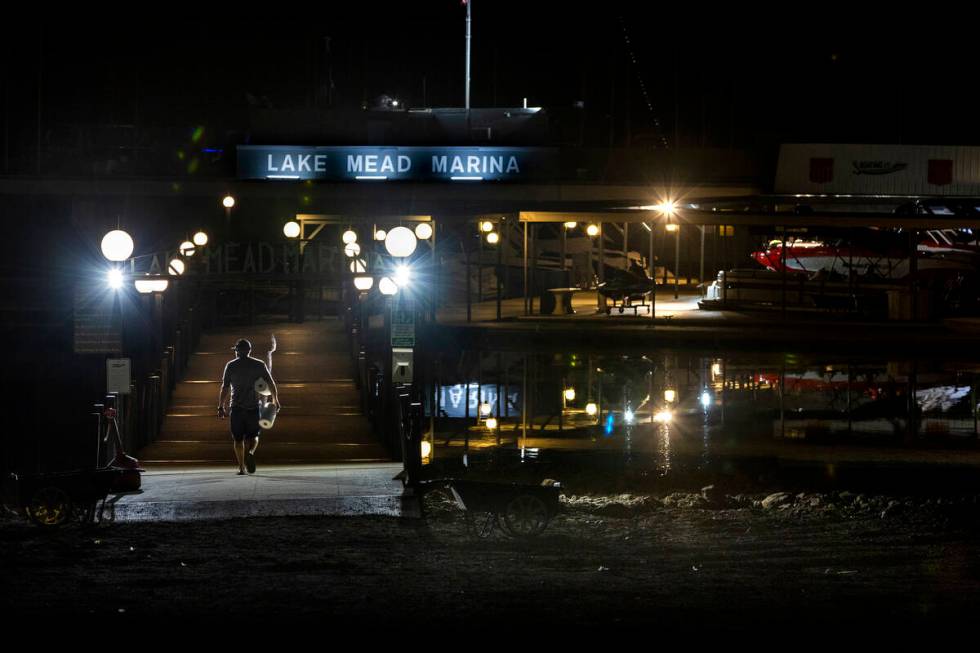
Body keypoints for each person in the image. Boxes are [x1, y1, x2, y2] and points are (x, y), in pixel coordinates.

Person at [217, 338, 280, 475]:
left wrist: (221, 406)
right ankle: (250, 452)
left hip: (237, 408)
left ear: (237, 352)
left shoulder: (231, 365)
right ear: (249, 351)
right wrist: (275, 400)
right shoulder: (259, 364)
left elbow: (225, 387)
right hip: (253, 407)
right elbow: (271, 383)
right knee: (254, 436)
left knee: (238, 439)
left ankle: (241, 468)